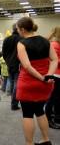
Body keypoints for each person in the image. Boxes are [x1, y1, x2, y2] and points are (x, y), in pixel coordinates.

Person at [16, 17, 58, 145]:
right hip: (45, 84)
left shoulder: (22, 43)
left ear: (22, 29)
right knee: (40, 111)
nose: (17, 31)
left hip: (29, 82)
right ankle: (46, 140)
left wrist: (42, 78)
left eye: (17, 29)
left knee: (27, 114)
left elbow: (27, 66)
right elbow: (55, 60)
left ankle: (29, 143)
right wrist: (48, 76)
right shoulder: (46, 41)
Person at [2, 24, 21, 110]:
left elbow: (4, 53)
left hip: (9, 65)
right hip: (19, 65)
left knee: (12, 83)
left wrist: (8, 61)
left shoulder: (7, 39)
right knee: (17, 84)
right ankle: (14, 104)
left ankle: (13, 103)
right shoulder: (21, 39)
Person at [45, 27, 60, 129]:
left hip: (57, 74)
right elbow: (52, 61)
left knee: (57, 98)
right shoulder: (54, 45)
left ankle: (56, 117)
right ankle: (48, 119)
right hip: (55, 75)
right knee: (53, 98)